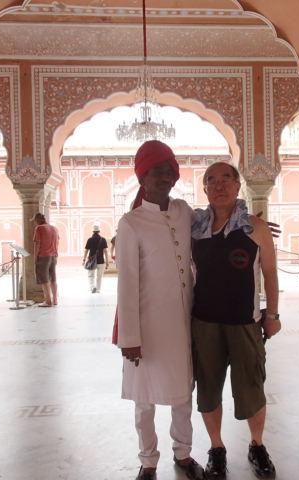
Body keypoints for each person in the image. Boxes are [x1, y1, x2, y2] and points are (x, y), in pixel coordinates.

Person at [115, 140, 205, 480]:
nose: (164, 176)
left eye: (169, 170)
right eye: (156, 171)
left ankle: (183, 453)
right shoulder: (132, 223)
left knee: (183, 393)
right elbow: (126, 284)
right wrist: (129, 338)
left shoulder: (183, 211)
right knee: (145, 399)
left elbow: (215, 222)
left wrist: (248, 222)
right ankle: (148, 460)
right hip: (147, 327)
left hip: (182, 323)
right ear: (142, 178)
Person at [190, 162, 281, 479]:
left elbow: (270, 273)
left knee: (252, 387)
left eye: (226, 179)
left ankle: (257, 445)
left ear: (238, 185)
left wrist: (272, 315)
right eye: (211, 180)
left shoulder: (255, 227)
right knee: (208, 389)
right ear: (205, 189)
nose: (219, 185)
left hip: (245, 322)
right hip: (204, 323)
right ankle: (216, 448)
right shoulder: (195, 228)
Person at [32, 212, 59, 307]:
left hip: (43, 256)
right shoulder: (54, 228)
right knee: (53, 279)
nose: (34, 223)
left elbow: (37, 244)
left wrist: (35, 258)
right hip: (53, 256)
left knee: (44, 279)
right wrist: (56, 254)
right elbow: (57, 242)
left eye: (35, 221)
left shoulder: (39, 228)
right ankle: (55, 300)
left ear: (37, 220)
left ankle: (48, 301)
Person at [83, 225, 109, 293]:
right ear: (99, 231)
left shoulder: (90, 239)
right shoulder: (103, 239)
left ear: (93, 231)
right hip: (101, 261)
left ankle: (92, 287)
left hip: (92, 261)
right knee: (99, 276)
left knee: (91, 275)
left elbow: (86, 250)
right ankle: (98, 289)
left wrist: (84, 259)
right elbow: (105, 251)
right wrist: (107, 262)